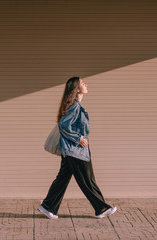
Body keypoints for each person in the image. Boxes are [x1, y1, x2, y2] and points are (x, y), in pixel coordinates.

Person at [38, 77, 117, 219]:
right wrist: (79, 138)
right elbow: (63, 126)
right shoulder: (74, 106)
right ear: (77, 88)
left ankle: (48, 207)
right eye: (82, 83)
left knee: (62, 179)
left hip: (70, 151)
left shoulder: (76, 105)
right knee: (87, 180)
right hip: (75, 151)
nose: (86, 84)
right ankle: (101, 208)